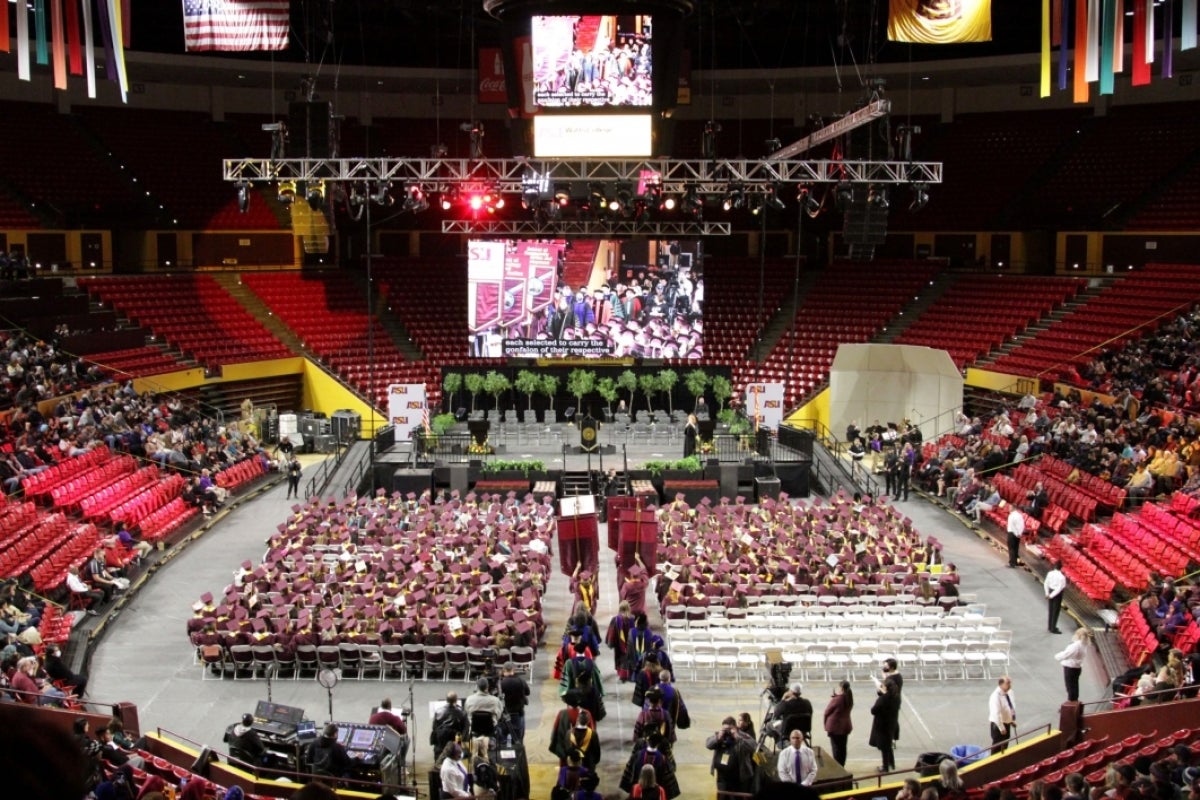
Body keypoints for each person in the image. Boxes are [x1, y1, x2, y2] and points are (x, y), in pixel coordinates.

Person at [704, 716, 757, 795]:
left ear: (735, 727)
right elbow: (708, 745)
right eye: (725, 729)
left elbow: (753, 747)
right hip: (722, 779)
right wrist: (718, 737)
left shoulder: (743, 736)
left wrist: (737, 736)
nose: (727, 732)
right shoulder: (719, 736)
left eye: (730, 729)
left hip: (740, 779)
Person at [868, 675, 901, 772]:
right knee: (888, 745)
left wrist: (882, 695)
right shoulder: (896, 697)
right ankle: (891, 763)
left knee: (884, 747)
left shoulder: (883, 699)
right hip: (891, 724)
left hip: (882, 725)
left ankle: (885, 767)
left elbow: (873, 710)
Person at [1055, 628, 1093, 703]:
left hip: (1070, 668)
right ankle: (1074, 700)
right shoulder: (1084, 644)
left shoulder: (1075, 645)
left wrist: (1057, 656)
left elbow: (1066, 654)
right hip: (1077, 667)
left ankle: (1071, 702)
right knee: (1074, 685)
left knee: (1070, 686)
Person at [823, 680, 853, 767]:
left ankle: (837, 767)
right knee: (843, 748)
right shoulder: (849, 698)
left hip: (835, 727)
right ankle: (842, 766)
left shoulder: (837, 699)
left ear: (842, 688)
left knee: (836, 748)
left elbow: (827, 712)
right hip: (845, 726)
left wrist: (826, 724)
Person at [498, 666, 530, 743]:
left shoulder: (501, 683)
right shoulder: (521, 680)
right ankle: (519, 748)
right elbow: (527, 692)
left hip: (505, 713)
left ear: (504, 671)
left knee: (504, 735)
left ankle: (507, 748)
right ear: (513, 670)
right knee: (519, 735)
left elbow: (498, 696)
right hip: (519, 712)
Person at [987, 676, 1017, 753]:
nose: (1010, 685)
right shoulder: (995, 696)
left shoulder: (1009, 692)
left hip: (1007, 722)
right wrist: (1001, 727)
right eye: (1007, 683)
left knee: (1005, 743)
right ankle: (994, 762)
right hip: (998, 725)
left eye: (1010, 683)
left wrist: (1011, 720)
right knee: (997, 745)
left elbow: (1010, 707)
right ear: (1001, 684)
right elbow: (996, 713)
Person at [1044, 561, 1067, 633]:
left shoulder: (1050, 573)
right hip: (1057, 595)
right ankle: (1053, 628)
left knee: (1050, 610)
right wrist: (1051, 596)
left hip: (1050, 591)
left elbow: (1046, 583)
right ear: (1061, 568)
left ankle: (1050, 626)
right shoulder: (1062, 577)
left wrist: (1047, 593)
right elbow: (1059, 588)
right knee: (1055, 611)